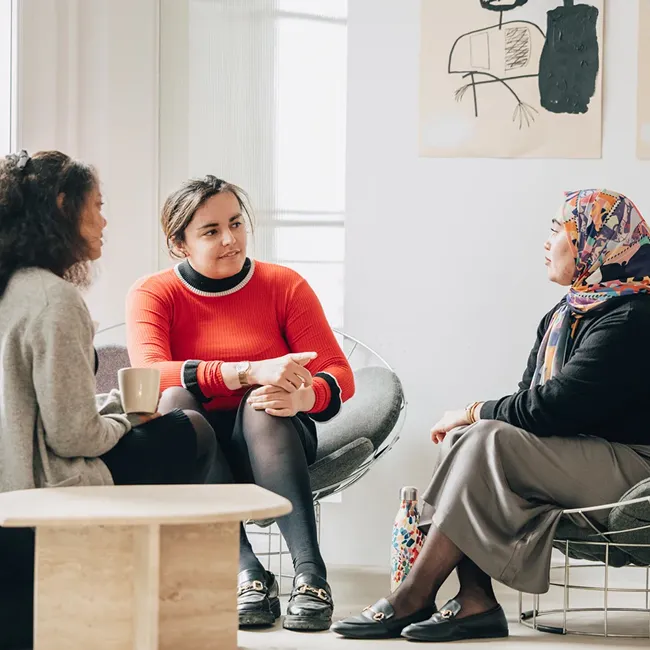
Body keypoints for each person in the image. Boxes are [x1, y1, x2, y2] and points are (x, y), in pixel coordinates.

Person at [332, 189, 650, 643]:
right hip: (582, 461)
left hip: (634, 473)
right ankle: (475, 598)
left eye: (560, 229)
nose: (547, 241)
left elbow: (554, 408)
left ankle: (414, 593)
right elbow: (528, 405)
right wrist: (476, 420)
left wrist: (471, 411)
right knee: (475, 439)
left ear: (598, 242)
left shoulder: (633, 316)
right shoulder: (564, 315)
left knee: (484, 436)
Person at [0, 150, 218, 648]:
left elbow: (37, 411)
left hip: (12, 472)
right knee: (191, 428)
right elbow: (72, 434)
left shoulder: (11, 287)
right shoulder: (54, 300)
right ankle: (148, 595)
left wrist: (111, 414)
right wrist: (127, 419)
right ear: (61, 205)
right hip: (39, 484)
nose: (104, 220)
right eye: (96, 205)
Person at [126, 175, 355, 632]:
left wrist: (304, 394)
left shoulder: (284, 285)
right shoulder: (154, 293)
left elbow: (339, 372)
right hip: (196, 454)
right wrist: (245, 370)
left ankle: (310, 574)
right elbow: (149, 375)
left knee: (262, 402)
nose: (230, 239)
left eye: (235, 223)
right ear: (179, 243)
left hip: (275, 442)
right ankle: (245, 571)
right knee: (175, 399)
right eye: (210, 231)